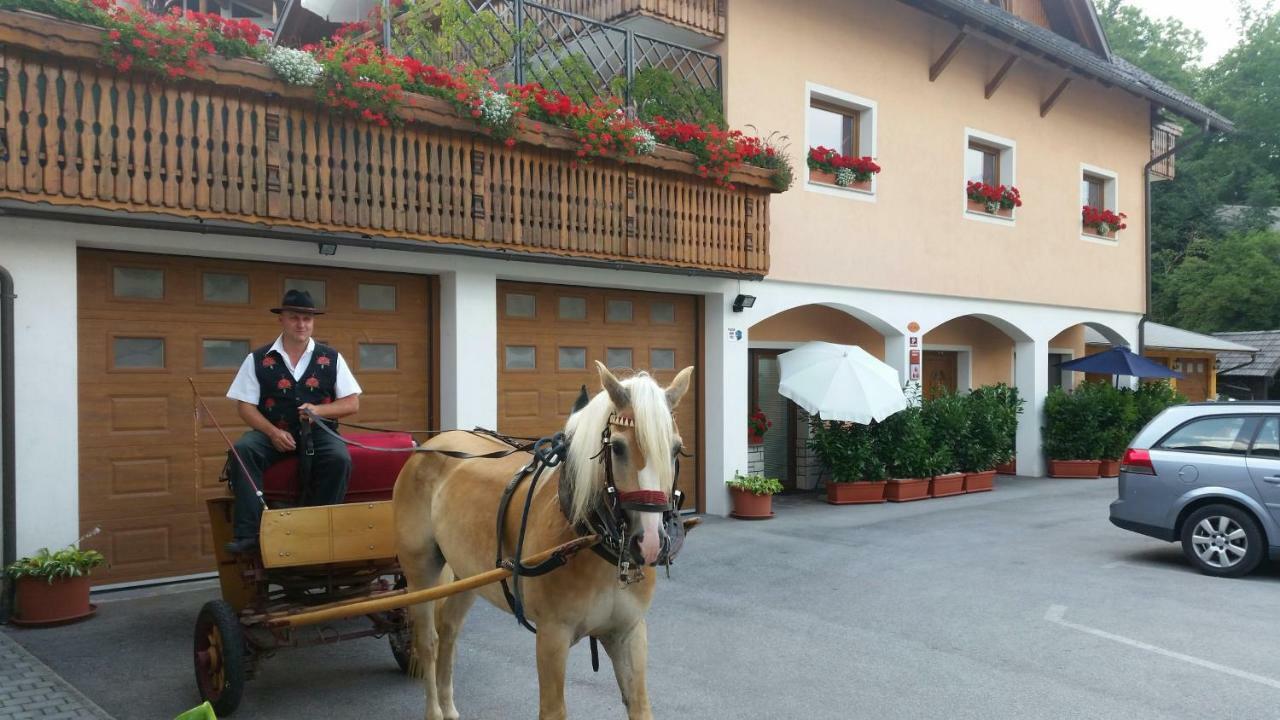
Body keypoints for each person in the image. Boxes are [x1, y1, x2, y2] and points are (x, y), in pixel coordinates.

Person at [222, 289, 362, 554]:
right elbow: (245, 406)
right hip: (273, 431)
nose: (301, 324)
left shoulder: (332, 358)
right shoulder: (257, 359)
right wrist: (272, 432)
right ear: (282, 320)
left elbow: (352, 403)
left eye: (307, 319)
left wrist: (319, 410)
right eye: (294, 317)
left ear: (313, 322)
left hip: (319, 432)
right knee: (243, 451)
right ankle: (249, 534)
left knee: (339, 459)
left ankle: (318, 530)